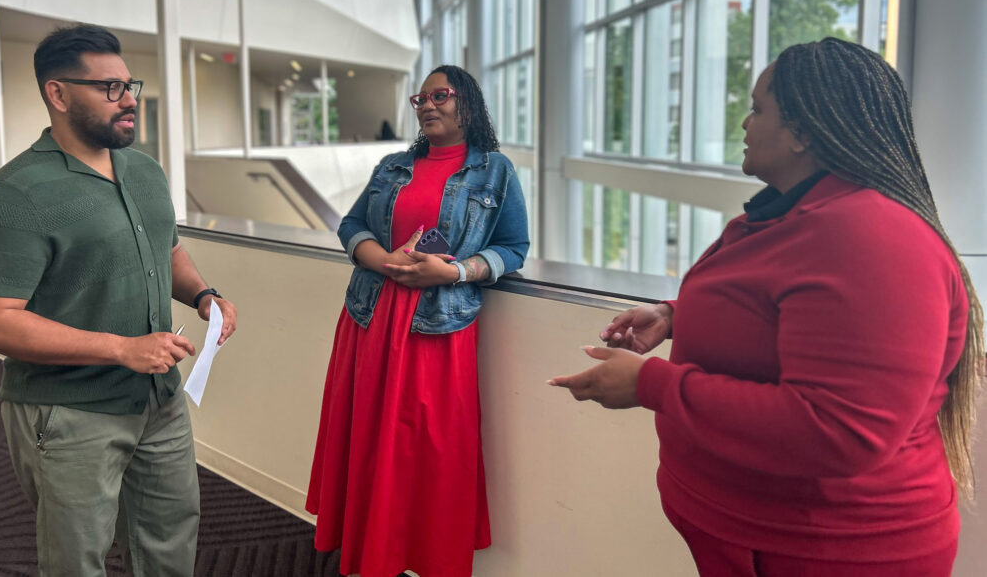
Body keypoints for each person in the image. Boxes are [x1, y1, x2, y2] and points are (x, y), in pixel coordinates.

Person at [550, 38, 984, 576]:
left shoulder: (873, 237)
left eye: (758, 109)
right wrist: (676, 315)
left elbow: (839, 430)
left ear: (802, 132)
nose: (744, 124)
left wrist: (650, 385)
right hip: (758, 536)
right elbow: (786, 308)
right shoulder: (803, 215)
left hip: (829, 553)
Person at [0, 24, 238, 577]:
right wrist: (120, 349)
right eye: (108, 88)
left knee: (170, 539)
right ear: (58, 94)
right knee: (77, 560)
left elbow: (168, 248)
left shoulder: (144, 171)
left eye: (128, 84)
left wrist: (204, 295)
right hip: (68, 413)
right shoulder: (15, 196)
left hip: (159, 403)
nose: (129, 98)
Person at [306, 65, 529, 577]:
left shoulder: (496, 171)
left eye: (440, 95)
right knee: (368, 443)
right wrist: (381, 261)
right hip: (371, 318)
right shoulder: (391, 166)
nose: (427, 105)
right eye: (419, 98)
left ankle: (421, 557)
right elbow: (352, 224)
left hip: (439, 330)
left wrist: (452, 271)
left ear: (466, 103)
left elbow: (513, 249)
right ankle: (369, 555)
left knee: (430, 453)